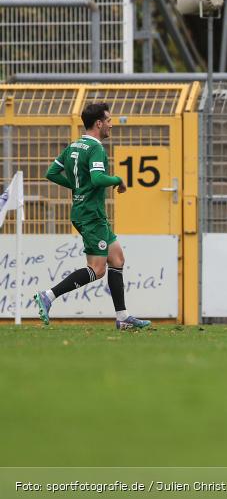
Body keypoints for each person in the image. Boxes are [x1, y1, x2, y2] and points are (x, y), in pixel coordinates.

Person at [31, 102, 150, 330]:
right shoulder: (96, 148)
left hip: (87, 211)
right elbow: (97, 179)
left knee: (117, 259)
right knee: (97, 269)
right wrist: (117, 180)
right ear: (99, 123)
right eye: (109, 121)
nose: (111, 125)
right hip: (90, 215)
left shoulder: (74, 146)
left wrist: (77, 187)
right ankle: (48, 295)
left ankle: (123, 317)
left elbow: (51, 173)